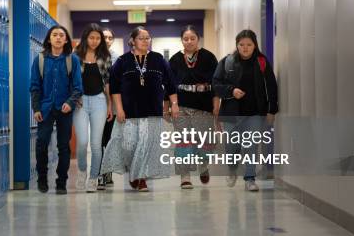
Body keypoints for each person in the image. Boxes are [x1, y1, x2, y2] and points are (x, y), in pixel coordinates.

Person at [100, 26, 179, 192]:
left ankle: (141, 178)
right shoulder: (122, 61)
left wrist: (174, 104)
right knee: (129, 146)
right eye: (142, 38)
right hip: (129, 112)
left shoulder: (158, 59)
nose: (146, 41)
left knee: (146, 145)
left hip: (152, 110)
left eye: (148, 38)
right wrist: (119, 109)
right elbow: (115, 88)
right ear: (133, 41)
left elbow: (171, 84)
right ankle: (133, 172)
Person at [212, 29, 278, 192]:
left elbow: (271, 87)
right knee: (231, 146)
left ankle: (250, 178)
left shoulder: (262, 62)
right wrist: (231, 91)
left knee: (251, 145)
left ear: (255, 45)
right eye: (241, 44)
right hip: (231, 113)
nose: (245, 48)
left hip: (255, 113)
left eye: (249, 44)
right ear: (237, 45)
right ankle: (232, 169)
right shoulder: (227, 62)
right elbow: (216, 84)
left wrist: (271, 110)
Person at [30, 25, 83, 194]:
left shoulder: (71, 60)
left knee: (63, 146)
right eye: (55, 35)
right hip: (45, 108)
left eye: (61, 35)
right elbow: (34, 86)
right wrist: (36, 108)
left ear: (66, 39)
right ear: (49, 39)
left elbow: (77, 87)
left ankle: (61, 182)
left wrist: (70, 102)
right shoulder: (39, 59)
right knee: (41, 144)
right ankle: (42, 179)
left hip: (64, 109)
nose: (58, 38)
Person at [168, 25, 219, 189]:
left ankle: (203, 166)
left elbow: (216, 84)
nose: (189, 41)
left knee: (203, 141)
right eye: (185, 39)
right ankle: (185, 176)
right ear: (181, 40)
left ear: (198, 39)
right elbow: (169, 86)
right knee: (184, 142)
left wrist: (216, 107)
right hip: (181, 105)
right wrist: (168, 106)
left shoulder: (209, 57)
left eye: (192, 38)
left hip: (203, 106)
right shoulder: (175, 60)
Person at [73, 24, 113, 193]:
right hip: (80, 102)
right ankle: (82, 172)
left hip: (99, 102)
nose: (95, 41)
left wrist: (110, 105)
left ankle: (93, 178)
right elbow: (71, 80)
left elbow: (108, 83)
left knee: (96, 144)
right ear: (85, 38)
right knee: (82, 142)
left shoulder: (105, 56)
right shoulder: (76, 55)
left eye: (98, 38)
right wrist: (74, 97)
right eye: (92, 38)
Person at [99, 28, 120, 188]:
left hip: (111, 105)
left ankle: (108, 172)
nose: (107, 40)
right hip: (95, 103)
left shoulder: (117, 58)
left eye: (110, 37)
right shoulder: (91, 55)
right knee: (97, 141)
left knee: (108, 139)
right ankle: (99, 173)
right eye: (104, 37)